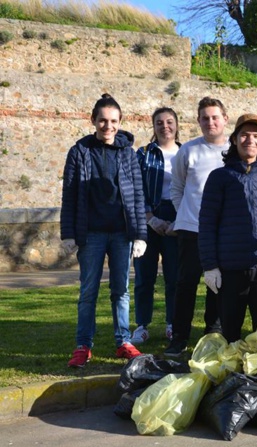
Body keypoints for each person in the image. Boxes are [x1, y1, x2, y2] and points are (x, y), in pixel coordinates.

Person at [60, 93, 146, 367]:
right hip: (92, 233)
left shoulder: (128, 154)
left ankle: (123, 341)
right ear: (93, 121)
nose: (108, 126)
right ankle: (83, 345)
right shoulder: (79, 152)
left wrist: (140, 234)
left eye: (113, 121)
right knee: (88, 291)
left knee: (121, 290)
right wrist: (68, 232)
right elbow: (70, 194)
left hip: (122, 234)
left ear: (120, 123)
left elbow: (137, 196)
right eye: (102, 121)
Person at [199, 114, 257, 343]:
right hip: (230, 267)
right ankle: (232, 375)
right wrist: (210, 266)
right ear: (235, 140)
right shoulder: (219, 178)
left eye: (256, 136)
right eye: (245, 135)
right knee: (231, 332)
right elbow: (207, 224)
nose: (251, 140)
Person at [165, 97, 229, 357]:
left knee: (218, 285)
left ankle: (212, 334)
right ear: (199, 121)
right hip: (192, 229)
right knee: (186, 284)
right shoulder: (188, 151)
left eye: (215, 117)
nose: (210, 122)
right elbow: (177, 188)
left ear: (225, 118)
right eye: (205, 118)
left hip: (224, 232)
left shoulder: (234, 151)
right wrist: (186, 214)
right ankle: (178, 338)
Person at [130, 107, 181, 345]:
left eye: (169, 122)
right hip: (148, 215)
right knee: (144, 275)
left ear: (177, 125)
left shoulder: (185, 153)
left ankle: (173, 322)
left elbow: (192, 191)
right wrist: (150, 217)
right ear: (153, 126)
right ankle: (142, 325)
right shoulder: (143, 154)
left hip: (178, 215)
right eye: (159, 122)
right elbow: (135, 188)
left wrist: (179, 221)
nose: (165, 126)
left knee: (174, 275)